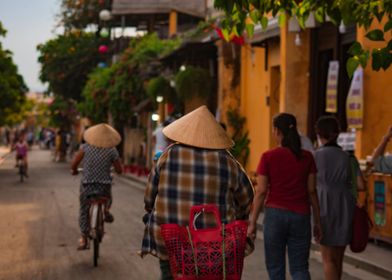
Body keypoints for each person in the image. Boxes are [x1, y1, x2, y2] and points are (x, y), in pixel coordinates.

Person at [140, 106, 254, 280]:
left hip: (171, 241)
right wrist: (240, 215)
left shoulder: (168, 155)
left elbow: (149, 195)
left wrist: (150, 209)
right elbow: (247, 198)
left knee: (168, 270)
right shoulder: (228, 161)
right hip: (212, 247)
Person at [248, 113, 322, 280]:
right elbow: (312, 191)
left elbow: (261, 191)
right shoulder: (307, 157)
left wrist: (252, 223)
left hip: (275, 216)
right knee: (300, 268)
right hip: (301, 216)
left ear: (276, 131)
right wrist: (318, 221)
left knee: (275, 269)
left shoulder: (268, 157)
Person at [314, 116, 356, 280]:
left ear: (319, 134)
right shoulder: (348, 157)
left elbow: (309, 184)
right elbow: (359, 185)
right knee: (339, 259)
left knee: (328, 259)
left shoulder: (315, 156)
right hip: (345, 206)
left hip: (324, 205)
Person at [71, 123, 123, 250]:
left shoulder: (85, 147)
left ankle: (84, 238)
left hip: (87, 185)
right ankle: (105, 210)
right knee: (108, 197)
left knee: (84, 208)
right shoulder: (112, 150)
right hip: (104, 186)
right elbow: (119, 170)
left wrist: (74, 170)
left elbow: (74, 164)